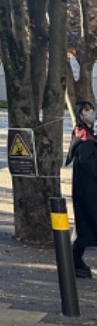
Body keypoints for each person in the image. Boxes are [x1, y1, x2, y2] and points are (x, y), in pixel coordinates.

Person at [66, 99, 97, 279]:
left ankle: (74, 260)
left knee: (84, 228)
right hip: (88, 192)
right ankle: (74, 261)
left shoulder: (88, 136)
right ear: (80, 114)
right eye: (86, 110)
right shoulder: (84, 140)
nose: (91, 113)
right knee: (86, 226)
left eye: (91, 109)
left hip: (89, 191)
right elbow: (90, 168)